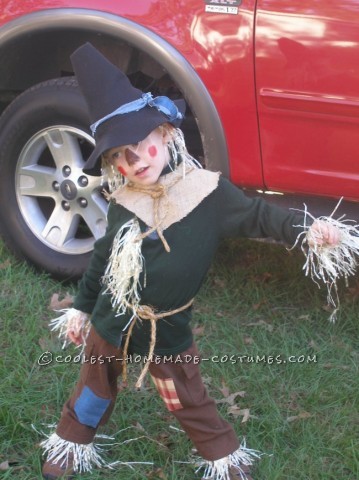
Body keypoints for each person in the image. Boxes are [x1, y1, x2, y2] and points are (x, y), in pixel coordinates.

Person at [40, 43, 342, 480]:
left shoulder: (207, 193)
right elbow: (104, 259)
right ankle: (71, 442)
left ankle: (223, 457)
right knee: (94, 386)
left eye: (143, 146)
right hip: (113, 319)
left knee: (185, 396)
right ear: (112, 164)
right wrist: (83, 308)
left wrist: (308, 230)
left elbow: (261, 216)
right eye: (121, 156)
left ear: (165, 135)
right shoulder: (125, 202)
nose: (135, 160)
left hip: (167, 327)